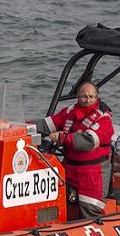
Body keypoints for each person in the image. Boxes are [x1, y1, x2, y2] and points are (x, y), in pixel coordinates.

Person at [34, 81, 114, 220]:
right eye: (83, 96)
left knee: (90, 209)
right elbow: (47, 124)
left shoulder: (103, 119)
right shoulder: (70, 112)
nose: (87, 100)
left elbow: (89, 141)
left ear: (97, 98)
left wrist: (62, 138)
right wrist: (20, 127)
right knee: (58, 202)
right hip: (69, 169)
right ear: (78, 97)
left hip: (93, 174)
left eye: (91, 96)